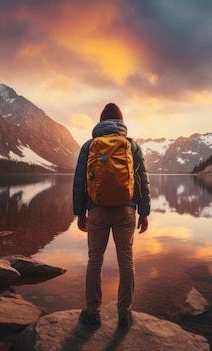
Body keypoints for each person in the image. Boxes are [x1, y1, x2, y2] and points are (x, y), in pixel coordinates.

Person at [73, 102, 151, 329]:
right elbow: (142, 181)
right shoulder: (131, 146)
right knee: (126, 261)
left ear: (100, 122)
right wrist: (143, 213)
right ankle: (124, 313)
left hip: (95, 209)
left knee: (94, 261)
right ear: (121, 123)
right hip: (126, 210)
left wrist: (80, 213)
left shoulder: (89, 145)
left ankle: (92, 312)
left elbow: (79, 182)